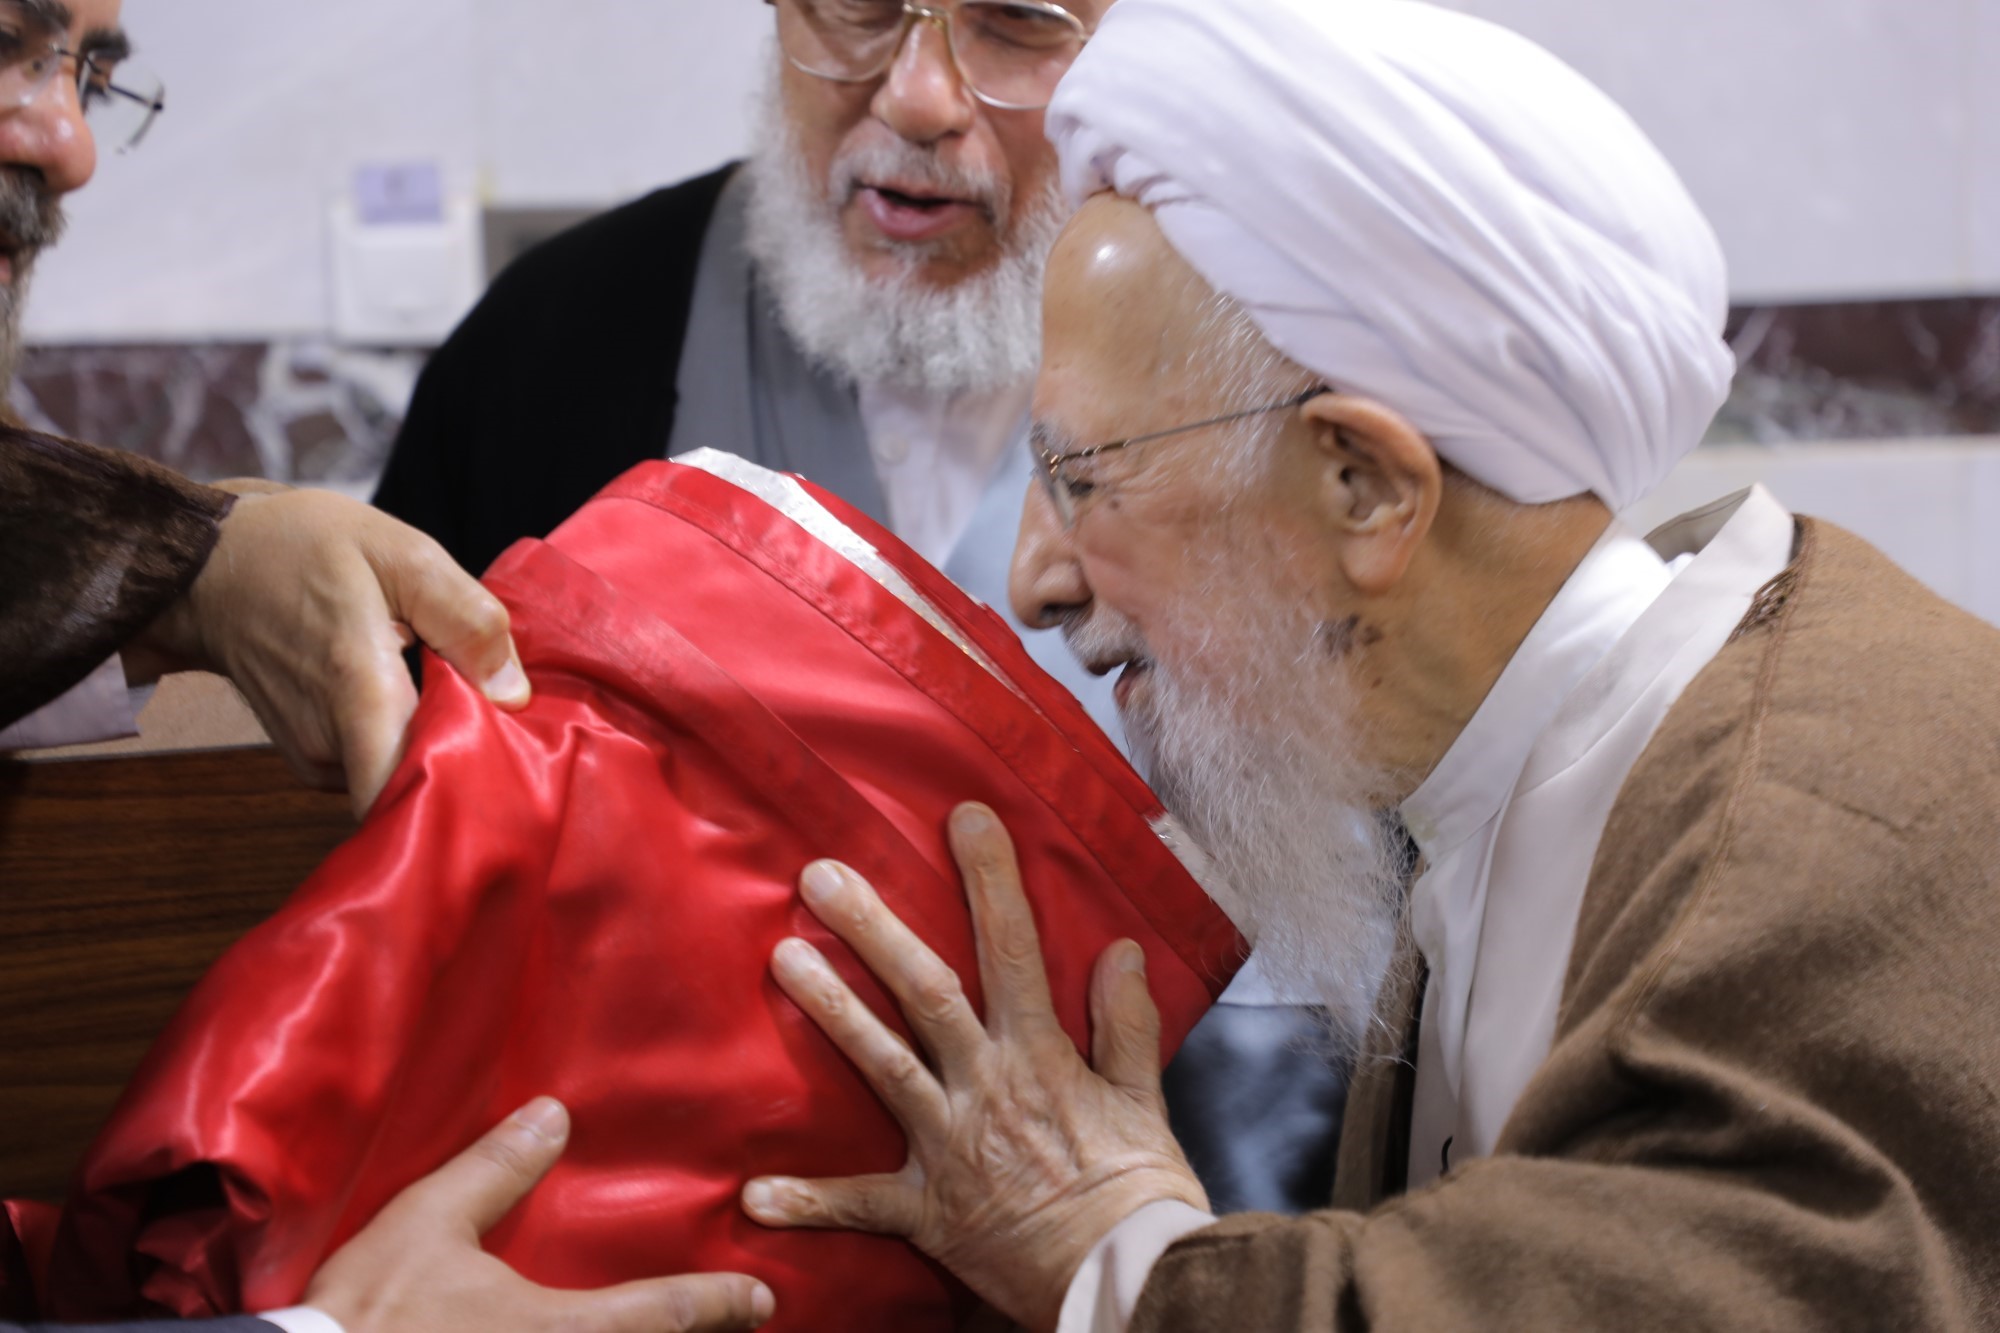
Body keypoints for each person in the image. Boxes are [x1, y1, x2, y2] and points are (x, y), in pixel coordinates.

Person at [725, 0, 2000, 1329]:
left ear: (1367, 487)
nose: (1035, 583)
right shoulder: (1512, 791)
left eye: (1082, 478)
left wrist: (1106, 1248)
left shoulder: (1830, 823)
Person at [372, 0, 1347, 1216]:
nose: (917, 97)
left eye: (1014, 21)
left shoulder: (1286, 348)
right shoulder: (557, 343)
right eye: (858, 10)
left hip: (1199, 1230)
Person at [0, 5, 772, 1330]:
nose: (67, 141)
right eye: (9, 43)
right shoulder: (561, 333)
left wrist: (186, 569)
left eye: (89, 72)